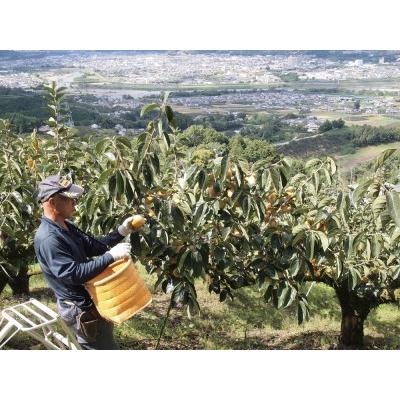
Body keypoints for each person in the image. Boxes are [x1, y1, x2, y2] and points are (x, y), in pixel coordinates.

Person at [34, 175, 143, 350]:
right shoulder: (49, 238)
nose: (75, 205)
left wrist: (122, 230)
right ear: (53, 202)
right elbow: (73, 274)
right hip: (79, 310)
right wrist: (110, 257)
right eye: (70, 200)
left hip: (90, 301)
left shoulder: (65, 226)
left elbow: (95, 247)